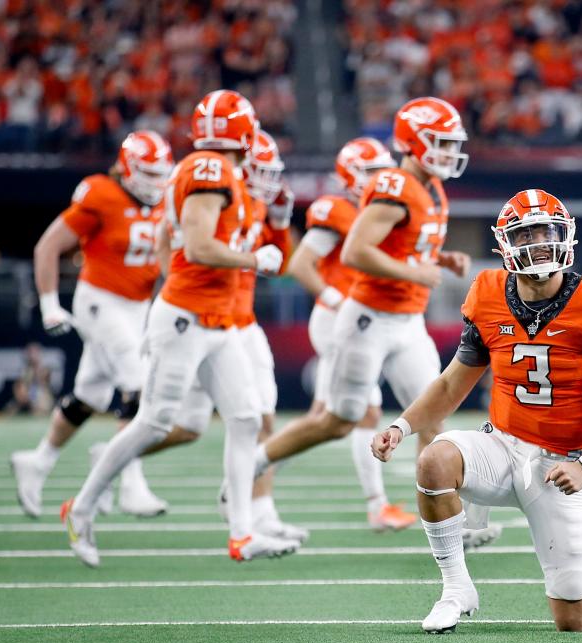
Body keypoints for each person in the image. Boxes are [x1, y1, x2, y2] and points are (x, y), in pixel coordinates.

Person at [372, 189, 582, 633]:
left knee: (572, 620)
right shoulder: (487, 292)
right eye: (527, 235)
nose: (538, 244)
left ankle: (484, 522)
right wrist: (401, 428)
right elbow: (450, 384)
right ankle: (455, 588)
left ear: (566, 236)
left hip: (562, 464)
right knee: (434, 459)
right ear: (504, 246)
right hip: (500, 444)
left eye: (546, 233)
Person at [61, 90, 296, 566]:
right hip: (188, 319)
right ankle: (80, 507)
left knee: (246, 418)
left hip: (216, 319)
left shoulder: (219, 172)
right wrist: (254, 258)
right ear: (244, 132)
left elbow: (171, 239)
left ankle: (242, 533)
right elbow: (198, 245)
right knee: (153, 422)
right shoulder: (209, 171)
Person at [255, 97, 472, 531]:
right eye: (441, 143)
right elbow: (355, 252)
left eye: (452, 144)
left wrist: (440, 260)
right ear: (413, 143)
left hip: (409, 320)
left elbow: (407, 246)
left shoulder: (433, 189)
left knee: (434, 417)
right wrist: (414, 270)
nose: (450, 153)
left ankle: (447, 525)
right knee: (338, 421)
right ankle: (253, 465)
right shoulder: (394, 187)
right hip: (366, 318)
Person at [148, 129, 307, 542]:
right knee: (184, 423)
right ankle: (120, 462)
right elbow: (169, 236)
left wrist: (278, 223)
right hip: (211, 320)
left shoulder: (250, 200)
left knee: (260, 420)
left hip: (241, 320)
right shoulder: (221, 193)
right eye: (264, 170)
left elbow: (280, 264)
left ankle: (260, 510)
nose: (270, 180)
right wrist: (174, 285)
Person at [10, 130, 173, 519]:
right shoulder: (100, 193)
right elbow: (47, 245)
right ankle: (130, 482)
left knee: (91, 396)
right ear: (127, 167)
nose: (155, 182)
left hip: (138, 307)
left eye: (159, 174)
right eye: (147, 173)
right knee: (139, 385)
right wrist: (50, 303)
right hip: (100, 301)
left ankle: (38, 461)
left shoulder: (165, 199)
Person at [284, 137, 397, 527]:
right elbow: (301, 264)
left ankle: (259, 467)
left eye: (383, 171)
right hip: (339, 321)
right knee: (365, 413)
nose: (379, 179)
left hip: (360, 320)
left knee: (325, 415)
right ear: (349, 176)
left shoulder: (381, 209)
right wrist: (334, 298)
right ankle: (377, 505)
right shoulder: (337, 209)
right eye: (371, 172)